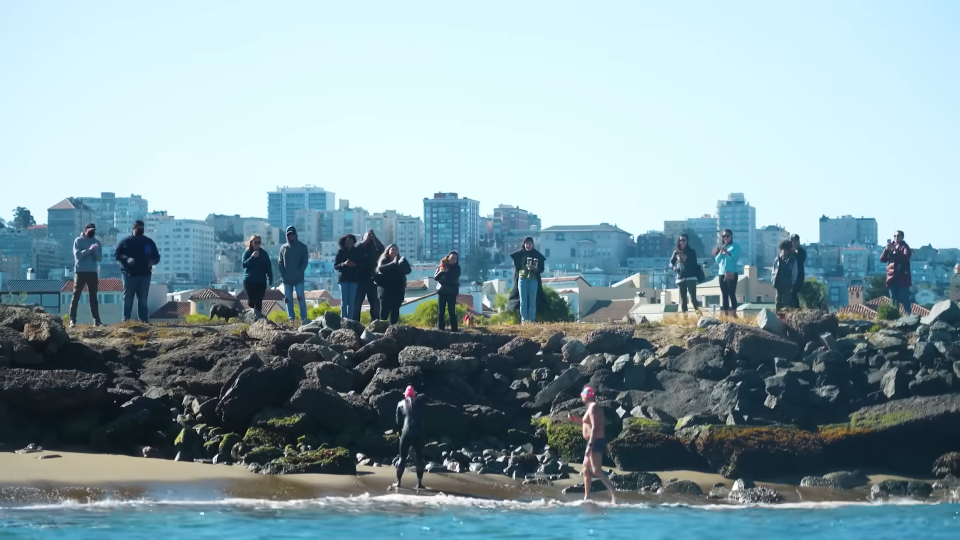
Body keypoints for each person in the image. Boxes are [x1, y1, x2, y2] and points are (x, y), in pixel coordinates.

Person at [568, 386, 616, 503]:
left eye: (582, 396)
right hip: (592, 441)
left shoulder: (594, 408)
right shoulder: (590, 408)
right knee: (585, 469)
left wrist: (590, 446)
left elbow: (595, 427)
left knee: (596, 471)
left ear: (586, 396)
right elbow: (586, 423)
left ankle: (614, 496)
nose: (581, 398)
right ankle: (587, 496)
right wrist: (574, 419)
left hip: (595, 442)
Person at [114, 220, 160, 323]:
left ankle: (143, 320)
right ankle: (126, 319)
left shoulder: (148, 242)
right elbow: (117, 255)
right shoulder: (126, 241)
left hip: (145, 275)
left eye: (142, 228)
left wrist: (150, 261)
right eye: (138, 228)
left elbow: (156, 257)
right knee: (128, 298)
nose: (140, 230)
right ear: (133, 229)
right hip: (129, 275)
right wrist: (126, 259)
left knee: (143, 299)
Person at [69, 223, 103, 328]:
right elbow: (78, 255)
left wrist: (95, 252)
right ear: (85, 230)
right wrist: (89, 250)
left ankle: (96, 321)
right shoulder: (78, 241)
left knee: (93, 297)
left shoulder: (97, 242)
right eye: (90, 230)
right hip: (80, 272)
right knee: (76, 295)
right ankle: (72, 320)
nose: (92, 232)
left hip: (92, 272)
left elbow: (99, 259)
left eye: (94, 230)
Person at [508, 237, 547, 324]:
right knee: (523, 302)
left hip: (533, 280)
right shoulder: (520, 254)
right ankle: (524, 321)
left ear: (532, 244)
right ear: (524, 244)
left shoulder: (537, 255)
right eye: (526, 244)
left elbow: (541, 269)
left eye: (529, 244)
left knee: (532, 302)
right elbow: (517, 266)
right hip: (522, 279)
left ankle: (532, 321)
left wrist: (535, 269)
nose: (528, 245)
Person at [394, 385, 425, 490]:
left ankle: (398, 482)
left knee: (402, 457)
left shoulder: (400, 404)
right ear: (414, 394)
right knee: (419, 457)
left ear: (405, 395)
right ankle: (419, 483)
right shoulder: (420, 402)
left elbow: (398, 422)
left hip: (406, 431)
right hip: (418, 432)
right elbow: (424, 418)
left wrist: (400, 434)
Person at [375, 244, 411, 324]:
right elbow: (381, 268)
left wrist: (401, 264)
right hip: (385, 288)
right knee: (384, 308)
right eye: (392, 250)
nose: (394, 251)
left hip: (398, 288)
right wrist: (393, 263)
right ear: (388, 251)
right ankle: (382, 326)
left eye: (396, 250)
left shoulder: (401, 259)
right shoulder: (384, 259)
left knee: (395, 308)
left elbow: (408, 270)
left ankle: (393, 327)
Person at [278, 226, 309, 321]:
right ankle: (291, 318)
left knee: (300, 298)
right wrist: (284, 275)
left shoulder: (302, 247)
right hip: (287, 279)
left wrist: (299, 272)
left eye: (292, 234)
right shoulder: (283, 248)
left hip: (298, 278)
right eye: (289, 234)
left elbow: (305, 262)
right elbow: (280, 262)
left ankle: (304, 318)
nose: (291, 236)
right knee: (288, 299)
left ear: (295, 234)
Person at [881, 230, 912, 315]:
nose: (896, 238)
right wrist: (886, 250)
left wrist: (896, 250)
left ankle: (908, 316)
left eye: (898, 236)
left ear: (902, 237)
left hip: (902, 277)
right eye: (894, 236)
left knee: (904, 297)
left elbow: (905, 258)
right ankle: (895, 315)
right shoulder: (891, 247)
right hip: (891, 276)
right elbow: (883, 259)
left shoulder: (905, 247)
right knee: (893, 298)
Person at [356, 230, 385, 321]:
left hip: (372, 279)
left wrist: (374, 237)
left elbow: (382, 249)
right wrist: (365, 240)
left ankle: (375, 322)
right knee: (357, 303)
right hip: (359, 280)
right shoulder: (359, 247)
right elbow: (355, 251)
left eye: (370, 237)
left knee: (375, 303)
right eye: (366, 236)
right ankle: (355, 322)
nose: (369, 238)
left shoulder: (374, 248)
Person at [670, 233, 701, 315]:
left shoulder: (691, 251)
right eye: (680, 240)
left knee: (693, 299)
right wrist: (673, 268)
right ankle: (685, 318)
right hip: (680, 278)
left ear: (687, 241)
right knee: (683, 301)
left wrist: (684, 257)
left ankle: (700, 316)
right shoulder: (676, 252)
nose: (682, 242)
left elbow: (694, 264)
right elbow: (671, 263)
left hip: (691, 277)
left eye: (684, 240)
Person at [241, 234, 273, 313]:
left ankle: (258, 320)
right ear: (251, 242)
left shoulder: (263, 253)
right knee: (251, 302)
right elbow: (244, 265)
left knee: (259, 302)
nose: (257, 244)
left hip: (260, 281)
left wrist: (270, 278)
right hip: (249, 281)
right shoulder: (247, 252)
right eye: (256, 242)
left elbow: (268, 267)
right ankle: (251, 319)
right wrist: (252, 257)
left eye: (259, 242)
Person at [713, 229, 741, 317]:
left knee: (731, 293)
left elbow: (735, 259)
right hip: (721, 273)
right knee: (724, 294)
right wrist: (721, 252)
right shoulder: (721, 247)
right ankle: (725, 314)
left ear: (731, 236)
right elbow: (717, 260)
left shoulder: (735, 246)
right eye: (723, 236)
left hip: (731, 273)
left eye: (727, 236)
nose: (725, 238)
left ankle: (734, 314)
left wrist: (727, 252)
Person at [334, 234, 361, 320]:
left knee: (351, 302)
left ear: (353, 242)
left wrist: (355, 265)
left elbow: (361, 265)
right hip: (343, 279)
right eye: (347, 241)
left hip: (353, 279)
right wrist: (344, 264)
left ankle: (350, 320)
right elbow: (336, 266)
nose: (349, 243)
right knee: (344, 301)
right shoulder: (340, 252)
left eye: (350, 241)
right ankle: (343, 319)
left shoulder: (357, 252)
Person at [435, 251, 461, 331]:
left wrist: (445, 275)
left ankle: (454, 330)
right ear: (448, 257)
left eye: (455, 258)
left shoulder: (457, 268)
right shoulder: (442, 266)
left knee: (451, 311)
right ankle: (441, 329)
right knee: (441, 311)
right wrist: (442, 272)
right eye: (452, 257)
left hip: (452, 292)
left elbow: (453, 279)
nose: (453, 259)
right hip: (442, 291)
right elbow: (436, 277)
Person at [772, 240, 798, 312]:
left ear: (789, 250)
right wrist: (773, 279)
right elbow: (773, 270)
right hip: (778, 283)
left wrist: (792, 282)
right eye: (782, 249)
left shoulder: (792, 259)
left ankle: (785, 317)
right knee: (778, 301)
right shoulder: (777, 259)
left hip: (787, 284)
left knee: (786, 302)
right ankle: (778, 316)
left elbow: (794, 272)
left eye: (785, 249)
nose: (783, 251)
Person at [790, 234, 807, 309]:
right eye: (792, 241)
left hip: (799, 276)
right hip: (792, 276)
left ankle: (797, 309)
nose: (794, 243)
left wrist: (793, 253)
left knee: (793, 293)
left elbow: (800, 260)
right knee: (790, 294)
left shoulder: (801, 251)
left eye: (795, 241)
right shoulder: (791, 251)